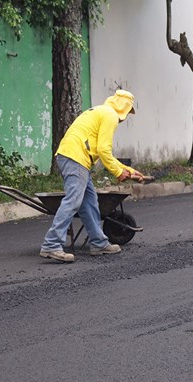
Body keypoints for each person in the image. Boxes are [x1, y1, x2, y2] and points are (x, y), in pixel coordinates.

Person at [39, 89, 146, 263]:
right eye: (127, 112)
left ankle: (99, 242)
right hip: (75, 158)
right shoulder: (110, 116)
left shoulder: (101, 111)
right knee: (73, 200)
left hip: (75, 157)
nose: (126, 117)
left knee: (89, 202)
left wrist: (128, 170)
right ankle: (52, 244)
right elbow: (104, 150)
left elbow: (103, 152)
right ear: (123, 108)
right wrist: (118, 173)